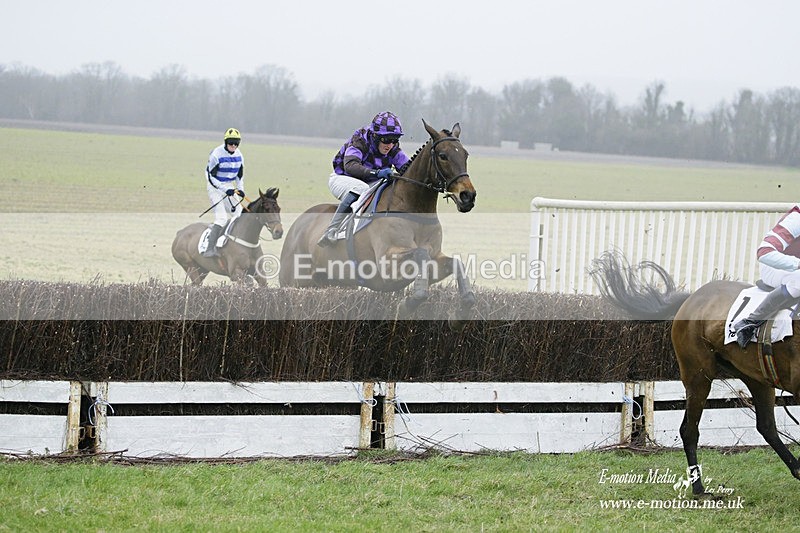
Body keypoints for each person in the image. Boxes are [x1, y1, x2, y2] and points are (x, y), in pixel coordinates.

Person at [317, 111, 411, 247]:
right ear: (375, 136)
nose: (389, 145)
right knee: (361, 189)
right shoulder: (360, 139)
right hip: (343, 177)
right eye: (386, 140)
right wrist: (377, 173)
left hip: (368, 181)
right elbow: (350, 166)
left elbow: (408, 168)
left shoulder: (392, 147)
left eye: (394, 140)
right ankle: (332, 230)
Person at [733, 205, 800, 347]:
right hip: (775, 267)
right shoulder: (796, 219)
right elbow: (764, 252)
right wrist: (798, 264)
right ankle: (750, 322)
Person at [202, 128, 246, 257]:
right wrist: (224, 189)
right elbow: (210, 177)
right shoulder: (216, 154)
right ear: (226, 142)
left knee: (239, 215)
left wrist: (241, 189)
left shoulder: (239, 156)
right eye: (231, 143)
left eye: (236, 143)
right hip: (215, 188)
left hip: (229, 187)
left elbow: (240, 176)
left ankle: (233, 244)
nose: (233, 146)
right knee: (221, 219)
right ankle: (209, 249)